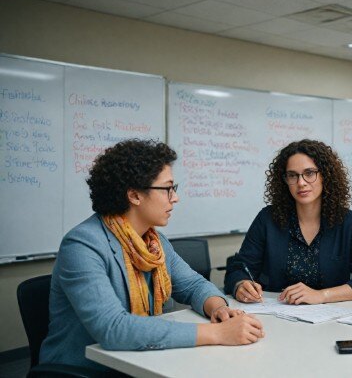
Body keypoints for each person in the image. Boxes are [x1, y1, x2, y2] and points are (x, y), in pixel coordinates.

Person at [40, 139, 264, 371]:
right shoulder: (82, 245)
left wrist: (218, 308)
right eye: (167, 189)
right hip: (86, 369)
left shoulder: (154, 241)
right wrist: (217, 333)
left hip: (142, 359)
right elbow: (113, 329)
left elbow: (194, 285)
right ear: (135, 195)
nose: (175, 198)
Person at [224, 139, 352, 304]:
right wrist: (241, 284)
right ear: (284, 180)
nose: (301, 182)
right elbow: (239, 269)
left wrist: (322, 295)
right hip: (275, 316)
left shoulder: (347, 221)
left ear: (325, 176)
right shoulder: (268, 219)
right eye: (292, 175)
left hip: (330, 321)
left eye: (309, 173)